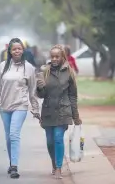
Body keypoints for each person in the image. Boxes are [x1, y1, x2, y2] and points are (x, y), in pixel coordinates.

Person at [0, 38, 40, 179]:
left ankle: (14, 167)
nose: (17, 51)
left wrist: (35, 109)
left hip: (21, 105)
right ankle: (12, 161)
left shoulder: (29, 68)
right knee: (8, 137)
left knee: (14, 134)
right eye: (14, 49)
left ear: (23, 50)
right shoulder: (2, 66)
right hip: (4, 107)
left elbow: (32, 90)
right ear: (10, 51)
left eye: (19, 48)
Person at [36, 44, 82, 179]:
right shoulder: (45, 71)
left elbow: (73, 96)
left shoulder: (69, 72)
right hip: (48, 111)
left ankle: (58, 168)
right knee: (50, 141)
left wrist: (76, 116)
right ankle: (54, 163)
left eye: (57, 56)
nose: (54, 59)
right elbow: (41, 95)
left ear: (63, 57)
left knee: (58, 138)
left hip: (63, 110)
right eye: (52, 57)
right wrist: (40, 88)